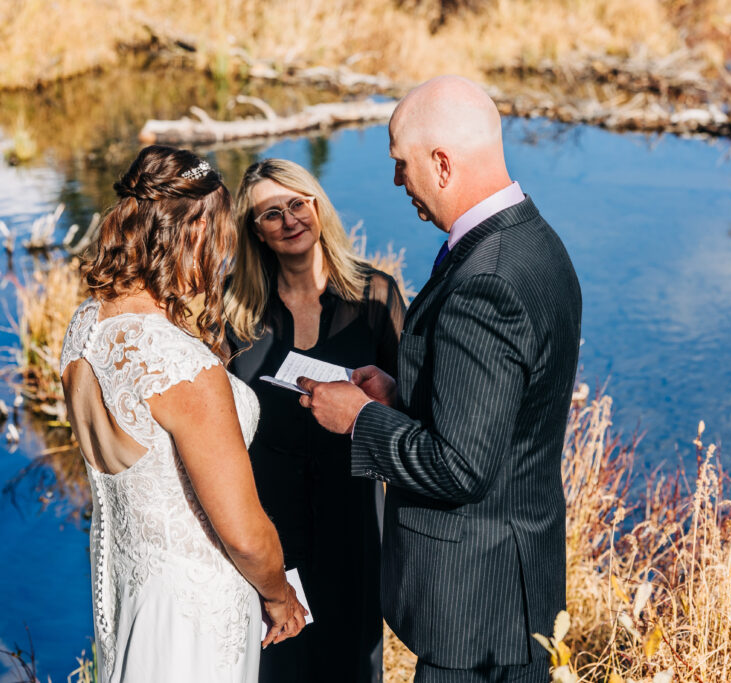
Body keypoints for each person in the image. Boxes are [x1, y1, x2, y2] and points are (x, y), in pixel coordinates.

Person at [298, 75, 583, 683]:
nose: (398, 182)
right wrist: (402, 396)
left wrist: (359, 419)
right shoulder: (535, 242)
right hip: (510, 590)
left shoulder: (487, 279)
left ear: (443, 164)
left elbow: (462, 467)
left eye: (402, 165)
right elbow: (498, 417)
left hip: (477, 614)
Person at [59, 146, 306, 683]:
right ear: (191, 231)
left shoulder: (85, 325)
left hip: (131, 589)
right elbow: (242, 532)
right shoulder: (180, 367)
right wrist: (281, 595)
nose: (224, 251)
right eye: (219, 232)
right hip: (197, 611)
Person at [223, 158, 405, 683]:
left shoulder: (376, 296)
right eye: (270, 213)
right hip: (266, 524)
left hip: (353, 514)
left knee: (352, 659)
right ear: (254, 231)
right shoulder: (235, 309)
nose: (288, 220)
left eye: (297, 204)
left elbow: (407, 409)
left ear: (317, 206)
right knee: (276, 664)